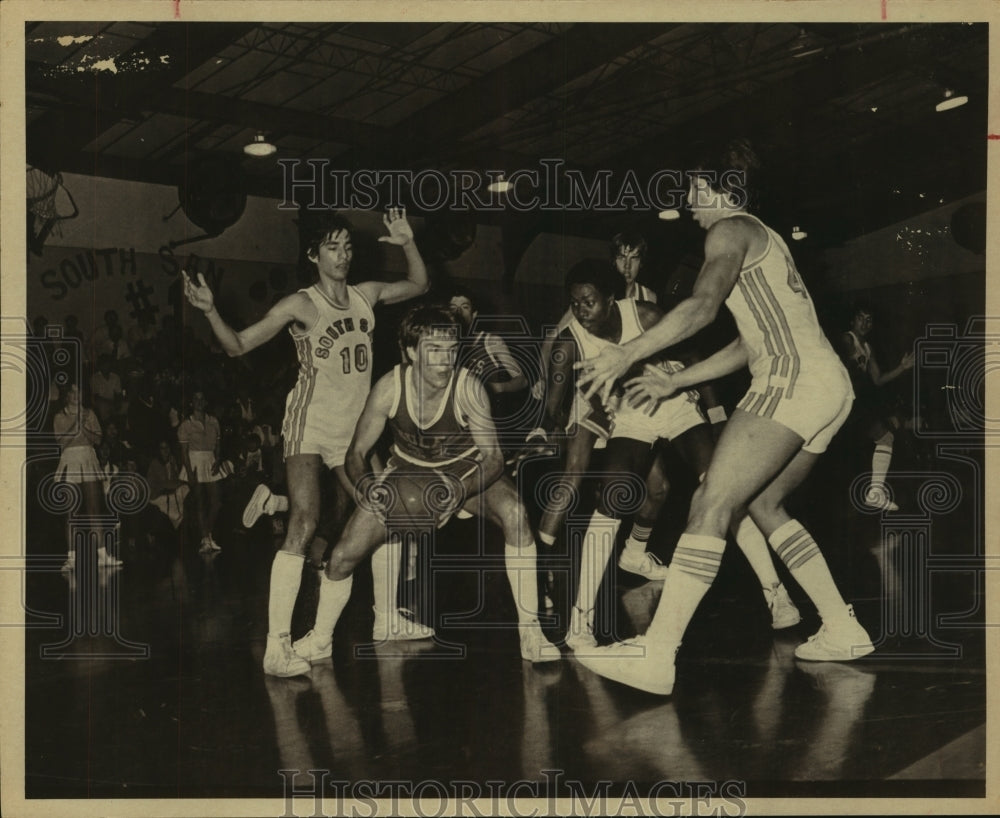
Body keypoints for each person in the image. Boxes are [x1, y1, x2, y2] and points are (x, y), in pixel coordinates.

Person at [574, 140, 873, 694]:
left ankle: (656, 656)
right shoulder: (764, 239)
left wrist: (628, 353)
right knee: (761, 503)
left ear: (723, 190)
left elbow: (703, 306)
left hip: (793, 379)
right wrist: (676, 378)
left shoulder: (729, 229)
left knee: (709, 503)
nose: (688, 202)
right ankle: (841, 626)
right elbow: (746, 343)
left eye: (694, 189)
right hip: (828, 384)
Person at [183, 208, 428, 677]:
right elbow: (236, 345)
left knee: (385, 514)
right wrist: (211, 310)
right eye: (332, 247)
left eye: (348, 246)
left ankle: (387, 621)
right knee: (305, 520)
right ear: (314, 255)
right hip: (310, 424)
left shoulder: (366, 295)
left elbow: (418, 285)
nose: (343, 255)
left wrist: (407, 242)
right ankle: (277, 647)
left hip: (353, 431)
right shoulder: (301, 304)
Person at [538, 260, 799, 651]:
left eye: (589, 301)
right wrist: (557, 422)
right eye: (574, 303)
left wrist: (715, 416)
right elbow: (554, 406)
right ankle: (580, 622)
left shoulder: (644, 315)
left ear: (612, 300)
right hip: (631, 416)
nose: (580, 311)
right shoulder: (568, 343)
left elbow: (693, 357)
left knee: (721, 490)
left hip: (676, 403)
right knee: (611, 499)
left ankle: (776, 593)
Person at [289, 304, 560, 667]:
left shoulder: (469, 387)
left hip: (467, 471)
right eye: (434, 350)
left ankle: (531, 630)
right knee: (341, 557)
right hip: (408, 473)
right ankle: (320, 640)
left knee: (516, 512)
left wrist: (459, 493)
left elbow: (494, 459)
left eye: (451, 350)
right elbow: (356, 453)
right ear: (412, 351)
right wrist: (370, 489)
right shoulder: (389, 387)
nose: (445, 360)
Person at [839, 305, 914, 511]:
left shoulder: (868, 348)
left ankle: (875, 493)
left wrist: (902, 368)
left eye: (869, 320)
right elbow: (841, 360)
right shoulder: (847, 339)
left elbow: (878, 379)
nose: (864, 323)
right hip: (836, 398)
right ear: (853, 321)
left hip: (851, 403)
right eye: (861, 318)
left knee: (885, 437)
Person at [53, 383, 122, 570]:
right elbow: (61, 443)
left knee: (94, 510)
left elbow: (98, 440)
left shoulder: (90, 414)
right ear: (67, 396)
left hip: (88, 459)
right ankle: (71, 559)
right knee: (71, 512)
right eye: (72, 392)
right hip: (70, 461)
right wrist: (77, 424)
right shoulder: (60, 416)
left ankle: (102, 556)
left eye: (79, 391)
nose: (76, 395)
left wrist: (84, 427)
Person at [177, 390, 225, 553]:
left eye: (201, 398)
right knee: (200, 502)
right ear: (192, 402)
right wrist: (189, 472)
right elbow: (183, 452)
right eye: (195, 398)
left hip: (210, 461)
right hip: (194, 461)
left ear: (205, 402)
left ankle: (207, 534)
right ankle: (205, 539)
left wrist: (218, 460)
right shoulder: (186, 425)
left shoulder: (214, 421)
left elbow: (218, 444)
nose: (199, 401)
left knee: (216, 502)